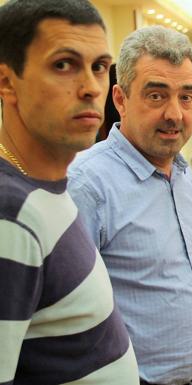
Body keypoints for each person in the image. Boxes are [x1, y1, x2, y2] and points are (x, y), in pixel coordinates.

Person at [67, 26, 192, 385]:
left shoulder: (184, 175)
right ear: (119, 99)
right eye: (156, 96)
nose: (175, 114)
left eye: (186, 97)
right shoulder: (86, 186)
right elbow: (62, 317)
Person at [0, 0, 139, 383]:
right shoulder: (10, 211)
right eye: (64, 65)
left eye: (99, 68)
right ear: (7, 81)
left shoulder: (46, 187)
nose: (92, 88)